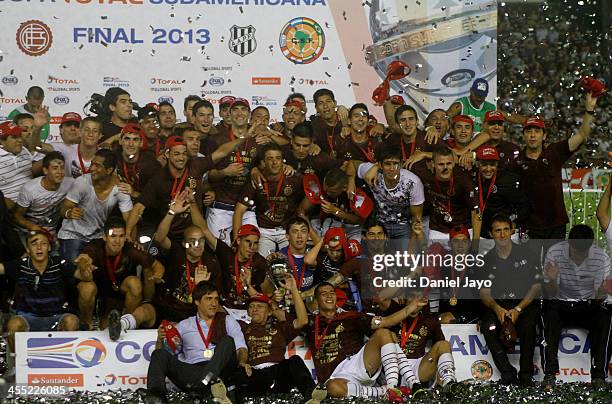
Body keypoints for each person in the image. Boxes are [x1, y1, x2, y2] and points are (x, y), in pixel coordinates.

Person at [296, 282, 427, 400]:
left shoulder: (351, 316)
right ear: (316, 301)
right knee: (332, 388)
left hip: (357, 363)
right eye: (324, 294)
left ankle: (397, 387)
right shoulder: (311, 323)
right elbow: (295, 320)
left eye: (332, 292)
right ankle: (383, 391)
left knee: (384, 333)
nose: (329, 296)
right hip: (336, 377)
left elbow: (387, 321)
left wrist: (412, 306)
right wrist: (293, 290)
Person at [127, 134, 248, 242]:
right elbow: (139, 207)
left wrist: (244, 136)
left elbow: (221, 153)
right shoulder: (158, 179)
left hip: (196, 233)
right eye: (176, 154)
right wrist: (128, 233)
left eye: (184, 153)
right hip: (170, 236)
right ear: (167, 154)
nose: (181, 158)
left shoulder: (196, 165)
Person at [513, 92, 599, 243]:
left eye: (537, 131)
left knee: (554, 265)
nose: (533, 135)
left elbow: (583, 134)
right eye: (528, 131)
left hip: (555, 224)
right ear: (523, 135)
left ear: (544, 136)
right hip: (528, 225)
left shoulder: (554, 152)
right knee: (529, 266)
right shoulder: (516, 161)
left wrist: (589, 109)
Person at [147, 281, 248, 404]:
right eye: (209, 299)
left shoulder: (228, 320)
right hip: (192, 373)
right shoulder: (184, 325)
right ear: (197, 302)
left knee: (227, 341)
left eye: (216, 299)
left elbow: (241, 348)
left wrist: (243, 362)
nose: (214, 303)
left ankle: (202, 385)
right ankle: (157, 396)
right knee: (159, 354)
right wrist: (159, 339)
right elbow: (167, 352)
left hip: (220, 373)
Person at [541, 224, 611, 390]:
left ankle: (598, 375)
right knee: (549, 314)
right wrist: (551, 279)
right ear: (569, 244)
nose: (579, 257)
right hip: (560, 303)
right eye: (576, 252)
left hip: (588, 304)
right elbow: (551, 293)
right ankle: (550, 373)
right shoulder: (555, 252)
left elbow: (598, 298)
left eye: (583, 253)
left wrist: (601, 291)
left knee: (605, 317)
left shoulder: (601, 258)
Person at [479, 215, 541, 387]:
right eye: (497, 230)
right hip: (498, 304)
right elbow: (484, 293)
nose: (502, 234)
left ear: (512, 230)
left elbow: (536, 288)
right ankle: (507, 373)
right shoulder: (486, 260)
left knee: (528, 326)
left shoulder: (527, 254)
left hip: (524, 304)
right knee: (488, 327)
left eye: (506, 229)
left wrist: (518, 309)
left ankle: (526, 375)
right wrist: (497, 309)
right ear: (491, 234)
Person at [74, 217, 164, 334]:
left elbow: (157, 265)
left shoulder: (131, 249)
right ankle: (87, 325)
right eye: (113, 236)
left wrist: (158, 274)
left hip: (120, 293)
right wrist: (83, 265)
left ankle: (124, 325)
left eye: (121, 236)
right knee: (86, 287)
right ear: (104, 237)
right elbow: (83, 258)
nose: (117, 241)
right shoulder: (95, 246)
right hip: (98, 292)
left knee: (135, 283)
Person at [233, 283, 319, 402]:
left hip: (279, 375)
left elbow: (303, 320)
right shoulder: (240, 328)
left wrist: (294, 289)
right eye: (252, 306)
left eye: (259, 306)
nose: (255, 309)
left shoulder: (279, 328)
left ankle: (312, 397)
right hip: (256, 375)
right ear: (248, 312)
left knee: (295, 360)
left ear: (269, 312)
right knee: (239, 370)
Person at [1, 230, 80, 352]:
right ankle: (19, 366)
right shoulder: (20, 265)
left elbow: (84, 277)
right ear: (28, 249)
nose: (39, 247)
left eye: (43, 243)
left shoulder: (59, 263)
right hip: (27, 317)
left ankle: (66, 364)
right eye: (34, 244)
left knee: (71, 321)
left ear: (49, 247)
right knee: (13, 324)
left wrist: (85, 266)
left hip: (56, 316)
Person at [57, 149, 133, 262]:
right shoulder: (82, 182)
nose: (91, 168)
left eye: (97, 166)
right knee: (73, 268)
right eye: (92, 164)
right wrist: (69, 213)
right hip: (73, 234)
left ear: (109, 170)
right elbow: (63, 208)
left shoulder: (120, 189)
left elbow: (129, 218)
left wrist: (129, 237)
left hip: (97, 237)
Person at [233, 143, 306, 255]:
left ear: (283, 161)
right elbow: (239, 210)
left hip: (287, 229)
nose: (275, 162)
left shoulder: (294, 178)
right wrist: (236, 239)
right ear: (263, 162)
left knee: (292, 263)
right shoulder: (256, 180)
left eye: (278, 158)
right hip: (264, 230)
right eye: (270, 158)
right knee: (263, 263)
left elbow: (311, 195)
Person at [206, 98, 260, 245]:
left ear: (249, 114)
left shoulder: (258, 141)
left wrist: (256, 169)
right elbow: (208, 175)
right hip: (221, 207)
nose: (239, 113)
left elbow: (263, 167)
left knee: (251, 252)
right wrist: (224, 172)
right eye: (235, 109)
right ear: (229, 114)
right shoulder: (216, 140)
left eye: (243, 109)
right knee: (220, 252)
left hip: (247, 208)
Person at [357, 146, 424, 243]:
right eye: (388, 164)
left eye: (396, 164)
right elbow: (352, 165)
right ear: (380, 165)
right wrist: (351, 182)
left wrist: (410, 252)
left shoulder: (413, 182)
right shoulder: (372, 172)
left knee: (403, 257)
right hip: (379, 225)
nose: (392, 169)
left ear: (401, 164)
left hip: (403, 225)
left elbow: (416, 219)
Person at [473, 145, 528, 243]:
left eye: (492, 164)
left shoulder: (508, 180)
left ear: (497, 164)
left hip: (504, 234)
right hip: (481, 234)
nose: (488, 169)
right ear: (477, 164)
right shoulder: (472, 179)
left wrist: (515, 222)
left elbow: (523, 204)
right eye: (484, 164)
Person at [13, 152, 74, 237]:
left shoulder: (70, 184)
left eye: (62, 168)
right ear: (45, 170)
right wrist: (32, 226)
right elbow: (16, 216)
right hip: (27, 231)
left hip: (51, 232)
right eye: (55, 168)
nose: (60, 172)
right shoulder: (29, 189)